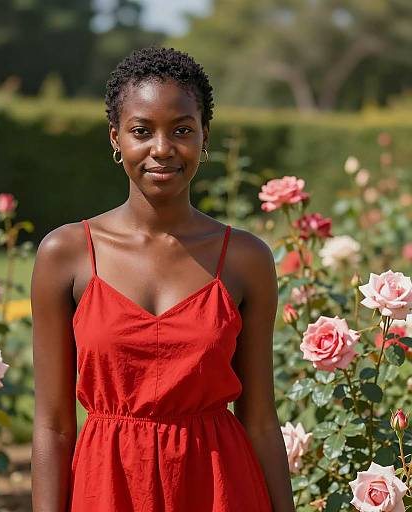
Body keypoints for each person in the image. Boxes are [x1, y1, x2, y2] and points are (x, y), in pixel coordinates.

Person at [31, 46, 295, 512]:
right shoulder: (66, 254)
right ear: (116, 139)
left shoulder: (245, 259)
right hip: (107, 488)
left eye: (181, 130)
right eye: (141, 131)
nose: (162, 148)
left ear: (203, 136)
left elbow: (258, 419)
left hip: (220, 488)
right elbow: (53, 426)